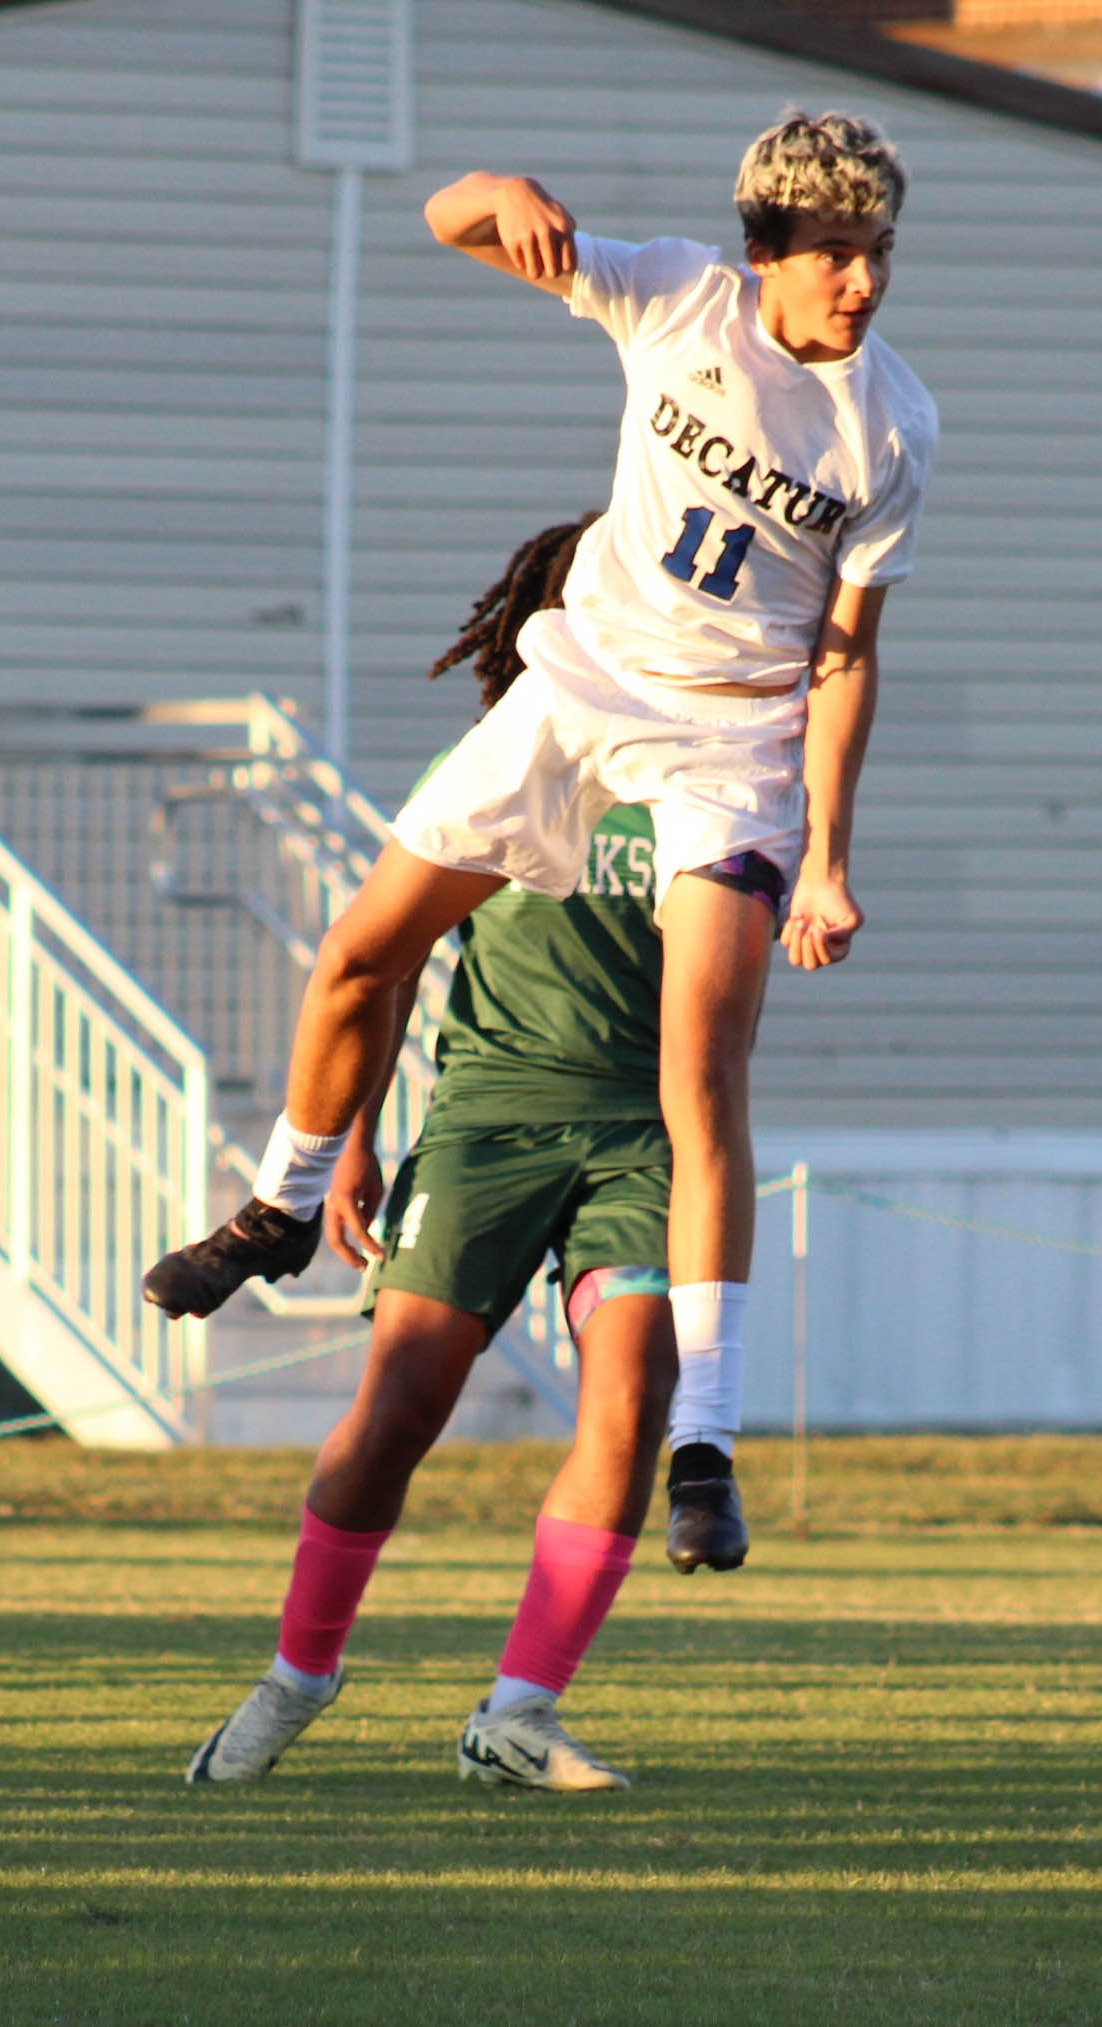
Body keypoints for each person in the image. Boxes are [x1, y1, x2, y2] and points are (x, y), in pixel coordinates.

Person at [145, 110, 936, 1558]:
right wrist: (491, 191)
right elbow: (447, 220)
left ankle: (706, 1441)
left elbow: (844, 653)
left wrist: (824, 852)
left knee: (700, 1075)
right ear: (768, 250)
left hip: (727, 743)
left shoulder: (890, 424)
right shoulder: (676, 293)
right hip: (577, 688)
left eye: (876, 250)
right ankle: (279, 1201)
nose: (862, 281)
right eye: (834, 252)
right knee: (357, 954)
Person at [182, 518, 752, 1797]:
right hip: (487, 1121)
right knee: (394, 1413)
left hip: (642, 1139)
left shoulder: (709, 770)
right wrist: (356, 1139)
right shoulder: (497, 761)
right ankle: (298, 1674)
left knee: (630, 1397)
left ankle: (518, 1711)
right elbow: (377, 968)